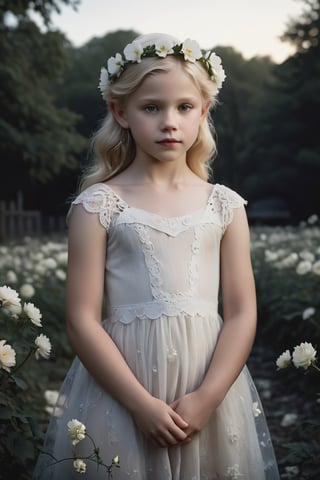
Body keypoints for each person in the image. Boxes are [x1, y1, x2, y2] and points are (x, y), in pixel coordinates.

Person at [33, 33, 280, 479]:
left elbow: (242, 313)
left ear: (203, 112)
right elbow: (81, 320)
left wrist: (207, 397)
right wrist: (140, 404)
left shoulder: (224, 205)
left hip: (209, 387)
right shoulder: (99, 204)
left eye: (184, 107)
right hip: (123, 389)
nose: (170, 122)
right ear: (120, 111)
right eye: (152, 107)